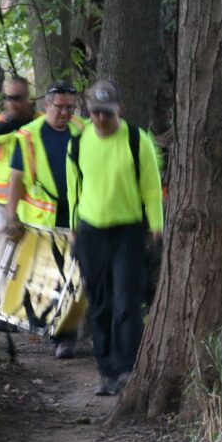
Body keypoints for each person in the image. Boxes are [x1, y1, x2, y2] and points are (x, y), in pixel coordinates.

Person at [67, 80, 163, 395]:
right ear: (88, 112)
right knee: (100, 303)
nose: (101, 119)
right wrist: (73, 228)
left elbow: (151, 188)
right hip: (91, 230)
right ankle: (105, 370)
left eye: (107, 113)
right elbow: (74, 191)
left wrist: (157, 226)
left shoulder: (138, 140)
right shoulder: (78, 144)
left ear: (118, 109)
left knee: (127, 302)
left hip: (128, 231)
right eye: (95, 113)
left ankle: (125, 369)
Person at [3, 80, 84, 358]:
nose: (65, 113)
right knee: (46, 279)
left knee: (72, 279)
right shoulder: (28, 135)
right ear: (46, 105)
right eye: (59, 107)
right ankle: (51, 331)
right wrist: (11, 217)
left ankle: (66, 337)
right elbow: (16, 178)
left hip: (76, 218)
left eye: (70, 108)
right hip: (41, 222)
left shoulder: (82, 130)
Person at [0, 76, 35, 316]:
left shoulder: (39, 124)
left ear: (27, 97)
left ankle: (17, 310)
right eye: (9, 98)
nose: (14, 103)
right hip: (0, 205)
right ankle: (6, 309)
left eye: (18, 98)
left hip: (34, 205)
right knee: (0, 257)